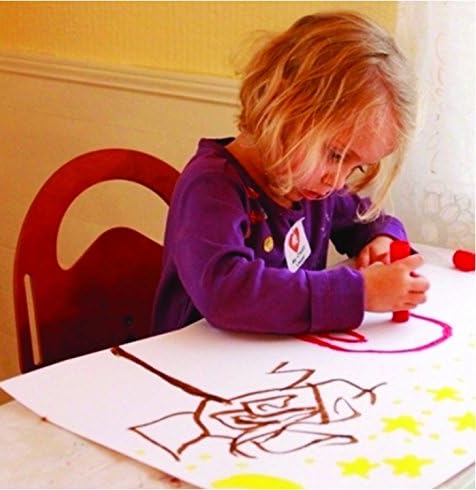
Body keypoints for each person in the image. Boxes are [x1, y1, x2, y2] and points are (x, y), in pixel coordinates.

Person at [151, 11, 430, 336]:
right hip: (193, 361)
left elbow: (367, 219)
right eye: (335, 155)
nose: (337, 181)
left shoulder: (313, 187)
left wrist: (382, 241)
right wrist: (359, 293)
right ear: (284, 107)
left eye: (356, 166)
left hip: (275, 360)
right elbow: (226, 294)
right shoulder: (211, 187)